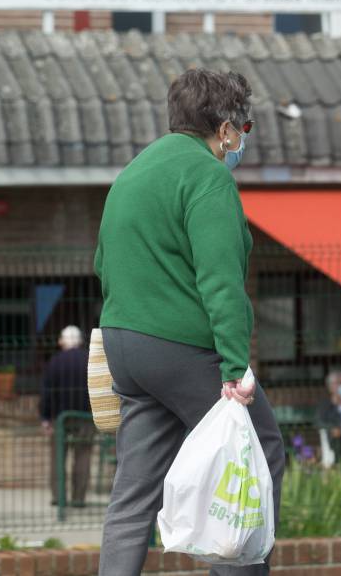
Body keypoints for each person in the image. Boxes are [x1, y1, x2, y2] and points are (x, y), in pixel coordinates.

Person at [94, 68, 285, 576]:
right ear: (224, 128)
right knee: (253, 453)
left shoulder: (136, 170)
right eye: (244, 129)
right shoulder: (206, 176)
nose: (242, 140)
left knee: (134, 492)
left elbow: (103, 263)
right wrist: (233, 366)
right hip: (183, 346)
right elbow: (220, 279)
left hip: (125, 347)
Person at [40, 325, 93, 508]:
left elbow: (47, 392)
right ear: (79, 341)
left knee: (58, 457)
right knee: (83, 456)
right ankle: (78, 498)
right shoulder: (89, 359)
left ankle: (58, 496)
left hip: (60, 417)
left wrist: (46, 417)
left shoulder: (54, 361)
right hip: (85, 415)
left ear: (61, 341)